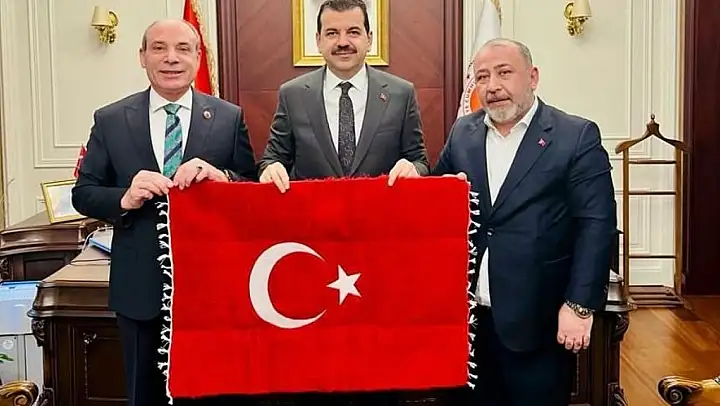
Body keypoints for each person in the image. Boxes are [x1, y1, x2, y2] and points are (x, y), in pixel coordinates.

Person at [72, 19, 257, 406]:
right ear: (142, 57)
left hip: (214, 291)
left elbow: (252, 190)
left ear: (198, 57)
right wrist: (125, 197)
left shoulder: (228, 117)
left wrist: (222, 177)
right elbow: (84, 194)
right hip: (139, 290)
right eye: (158, 48)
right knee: (145, 396)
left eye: (182, 49)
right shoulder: (111, 120)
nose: (171, 58)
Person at [433, 38, 617, 406]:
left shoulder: (575, 135)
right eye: (482, 76)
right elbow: (437, 200)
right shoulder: (463, 133)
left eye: (504, 73)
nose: (492, 86)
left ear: (532, 77)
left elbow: (596, 225)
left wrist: (580, 305)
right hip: (468, 324)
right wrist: (413, 176)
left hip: (539, 321)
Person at [258, 0, 429, 192]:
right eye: (332, 33)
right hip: (314, 210)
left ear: (369, 39)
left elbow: (420, 161)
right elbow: (272, 160)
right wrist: (271, 169)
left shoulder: (401, 94)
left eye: (353, 32)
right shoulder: (292, 95)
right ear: (318, 41)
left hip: (380, 208)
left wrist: (414, 169)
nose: (342, 42)